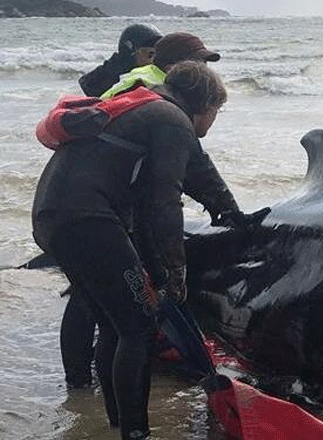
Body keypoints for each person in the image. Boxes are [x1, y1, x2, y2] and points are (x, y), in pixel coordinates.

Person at [32, 61, 242, 440]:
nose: (214, 121)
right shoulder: (171, 120)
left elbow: (191, 177)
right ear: (206, 104)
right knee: (138, 326)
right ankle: (136, 432)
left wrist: (230, 213)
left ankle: (115, 424)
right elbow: (162, 203)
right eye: (217, 112)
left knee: (115, 324)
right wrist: (176, 273)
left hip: (53, 218)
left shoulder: (145, 107)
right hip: (87, 219)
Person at [99, 32, 221, 99]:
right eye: (198, 65)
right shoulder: (148, 88)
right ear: (172, 68)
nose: (205, 70)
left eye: (205, 63)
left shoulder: (154, 76)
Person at [79, 24, 162, 98]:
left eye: (158, 53)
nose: (154, 59)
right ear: (131, 52)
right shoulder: (106, 75)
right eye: (151, 54)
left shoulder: (155, 72)